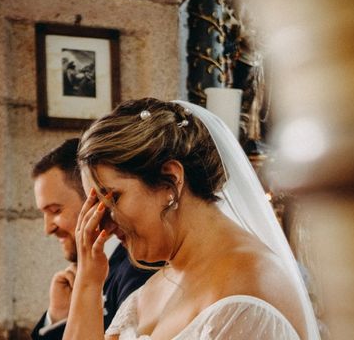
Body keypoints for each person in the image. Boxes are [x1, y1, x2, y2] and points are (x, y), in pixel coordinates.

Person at [63, 98, 321, 339]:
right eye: (97, 205)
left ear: (171, 181)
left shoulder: (250, 289)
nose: (103, 223)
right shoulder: (154, 288)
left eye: (113, 198)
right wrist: (88, 281)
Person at [31, 138, 154, 340]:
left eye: (55, 210)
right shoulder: (91, 266)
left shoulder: (141, 264)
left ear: (95, 199)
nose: (48, 228)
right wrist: (58, 316)